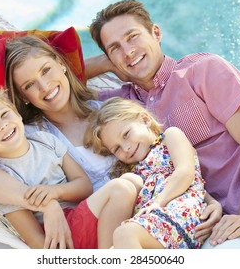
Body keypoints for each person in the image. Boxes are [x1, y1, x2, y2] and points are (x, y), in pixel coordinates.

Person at [86, 0, 240, 248]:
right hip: (228, 222)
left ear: (156, 33)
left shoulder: (202, 70)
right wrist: (106, 62)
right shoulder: (123, 109)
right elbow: (59, 84)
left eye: (132, 37)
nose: (128, 51)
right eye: (115, 48)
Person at [0, 35, 221, 247]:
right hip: (104, 232)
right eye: (30, 85)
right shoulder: (28, 136)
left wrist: (207, 201)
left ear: (61, 64)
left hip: (156, 217)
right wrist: (47, 203)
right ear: (22, 97)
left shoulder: (109, 111)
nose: (45, 87)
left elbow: (162, 160)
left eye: (47, 70)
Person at [0, 79, 136, 249]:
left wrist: (55, 192)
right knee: (121, 188)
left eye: (4, 115)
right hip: (65, 238)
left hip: (84, 215)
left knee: (131, 180)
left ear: (16, 112)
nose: (2, 126)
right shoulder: (3, 178)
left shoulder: (46, 140)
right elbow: (36, 241)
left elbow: (84, 185)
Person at [85, 97, 217, 249]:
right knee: (119, 241)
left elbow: (186, 173)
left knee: (124, 233)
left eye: (126, 134)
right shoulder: (134, 173)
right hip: (154, 223)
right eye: (116, 149)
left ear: (145, 119)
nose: (126, 148)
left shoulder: (170, 137)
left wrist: (157, 202)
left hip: (181, 213)